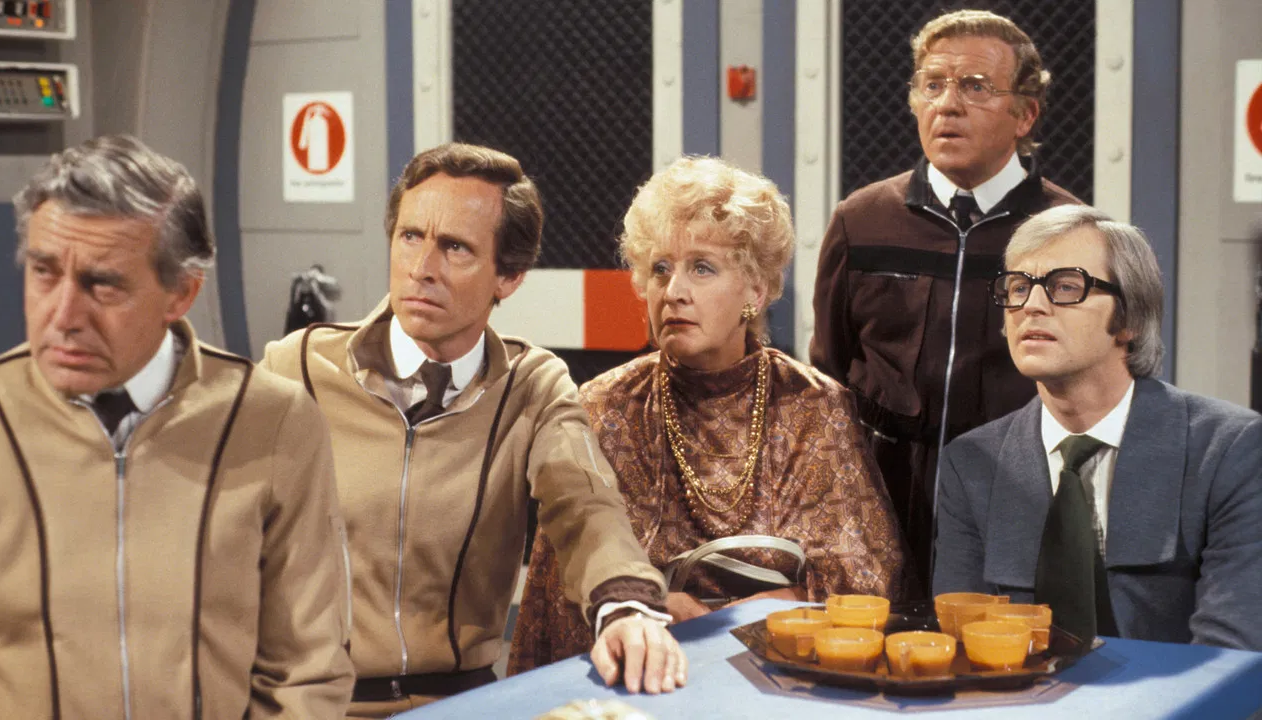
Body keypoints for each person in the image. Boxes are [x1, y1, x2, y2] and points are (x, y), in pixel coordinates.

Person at [261, 142, 686, 717]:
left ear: (508, 277)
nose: (422, 268)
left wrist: (626, 605)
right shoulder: (298, 367)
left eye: (454, 247)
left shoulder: (532, 384)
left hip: (460, 703)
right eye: (410, 236)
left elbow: (586, 505)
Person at [0, 135, 354, 718]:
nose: (63, 316)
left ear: (181, 293)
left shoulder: (272, 421)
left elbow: (308, 667)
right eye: (44, 273)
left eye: (103, 284)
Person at [508, 156, 909, 674]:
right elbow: (556, 598)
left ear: (755, 290)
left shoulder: (813, 406)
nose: (674, 291)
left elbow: (865, 581)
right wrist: (644, 605)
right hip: (640, 674)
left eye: (702, 267)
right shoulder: (606, 407)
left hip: (787, 674)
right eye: (660, 269)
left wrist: (732, 620)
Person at [809, 9, 1081, 592]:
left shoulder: (1069, 232)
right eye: (933, 85)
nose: (948, 105)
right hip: (880, 500)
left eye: (975, 87)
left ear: (1025, 114)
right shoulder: (862, 220)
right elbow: (829, 374)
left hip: (1012, 500)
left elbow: (1087, 381)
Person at [933, 205, 1262, 649]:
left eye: (1065, 286)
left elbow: (1231, 652)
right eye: (1018, 288)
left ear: (1129, 318)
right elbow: (962, 643)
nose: (1031, 306)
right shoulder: (972, 463)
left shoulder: (1229, 449)